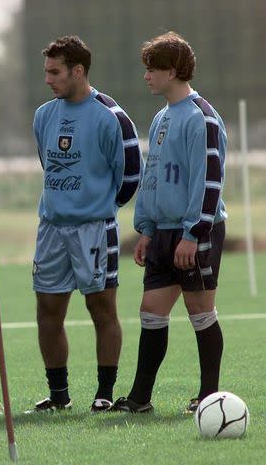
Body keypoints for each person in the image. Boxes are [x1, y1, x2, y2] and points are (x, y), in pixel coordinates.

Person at [113, 32, 227, 414]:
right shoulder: (162, 116)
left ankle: (208, 398)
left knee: (200, 312)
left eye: (153, 69)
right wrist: (145, 228)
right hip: (162, 232)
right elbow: (153, 176)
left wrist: (194, 233)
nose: (146, 76)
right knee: (151, 311)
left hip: (195, 231)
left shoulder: (202, 118)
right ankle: (140, 399)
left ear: (174, 71)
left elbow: (209, 180)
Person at [27, 35, 142, 413]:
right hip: (51, 228)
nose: (48, 80)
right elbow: (49, 165)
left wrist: (99, 206)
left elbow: (129, 176)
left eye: (55, 72)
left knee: (101, 307)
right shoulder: (44, 115)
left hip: (95, 228)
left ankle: (104, 391)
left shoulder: (111, 116)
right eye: (46, 72)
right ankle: (59, 395)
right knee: (47, 310)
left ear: (78, 71)